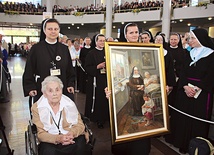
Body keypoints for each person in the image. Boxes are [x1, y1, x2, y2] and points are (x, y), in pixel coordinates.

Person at [171, 28, 214, 154]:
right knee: (182, 117)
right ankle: (182, 142)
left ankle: (195, 145)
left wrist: (196, 88)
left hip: (201, 93)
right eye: (190, 38)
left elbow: (211, 76)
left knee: (196, 120)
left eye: (193, 38)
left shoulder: (211, 55)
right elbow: (182, 71)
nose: (190, 41)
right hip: (185, 91)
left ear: (200, 39)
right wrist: (185, 86)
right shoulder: (188, 53)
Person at [111, 22, 151, 155]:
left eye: (136, 32)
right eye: (131, 32)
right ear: (125, 34)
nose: (134, 35)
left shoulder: (150, 48)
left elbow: (144, 80)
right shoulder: (116, 48)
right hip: (134, 93)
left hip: (141, 92)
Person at [22, 18, 75, 102]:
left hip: (61, 88)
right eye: (50, 29)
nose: (53, 31)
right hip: (42, 88)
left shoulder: (64, 48)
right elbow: (29, 69)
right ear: (44, 30)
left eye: (56, 29)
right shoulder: (36, 48)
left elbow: (69, 69)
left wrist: (70, 84)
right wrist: (30, 87)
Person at [31, 76, 87, 155]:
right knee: (48, 151)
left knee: (81, 145)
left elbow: (80, 125)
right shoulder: (37, 108)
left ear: (61, 90)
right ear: (44, 93)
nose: (55, 94)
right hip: (51, 139)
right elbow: (41, 134)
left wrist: (72, 133)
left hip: (70, 136)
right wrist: (58, 138)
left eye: (57, 90)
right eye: (50, 91)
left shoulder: (69, 104)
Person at [84, 34, 109, 129]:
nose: (102, 42)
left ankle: (106, 117)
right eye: (100, 40)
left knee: (106, 98)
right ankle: (98, 119)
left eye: (104, 40)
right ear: (96, 42)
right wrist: (97, 67)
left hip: (106, 79)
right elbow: (87, 68)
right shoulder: (91, 53)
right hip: (96, 80)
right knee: (99, 99)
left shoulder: (107, 51)